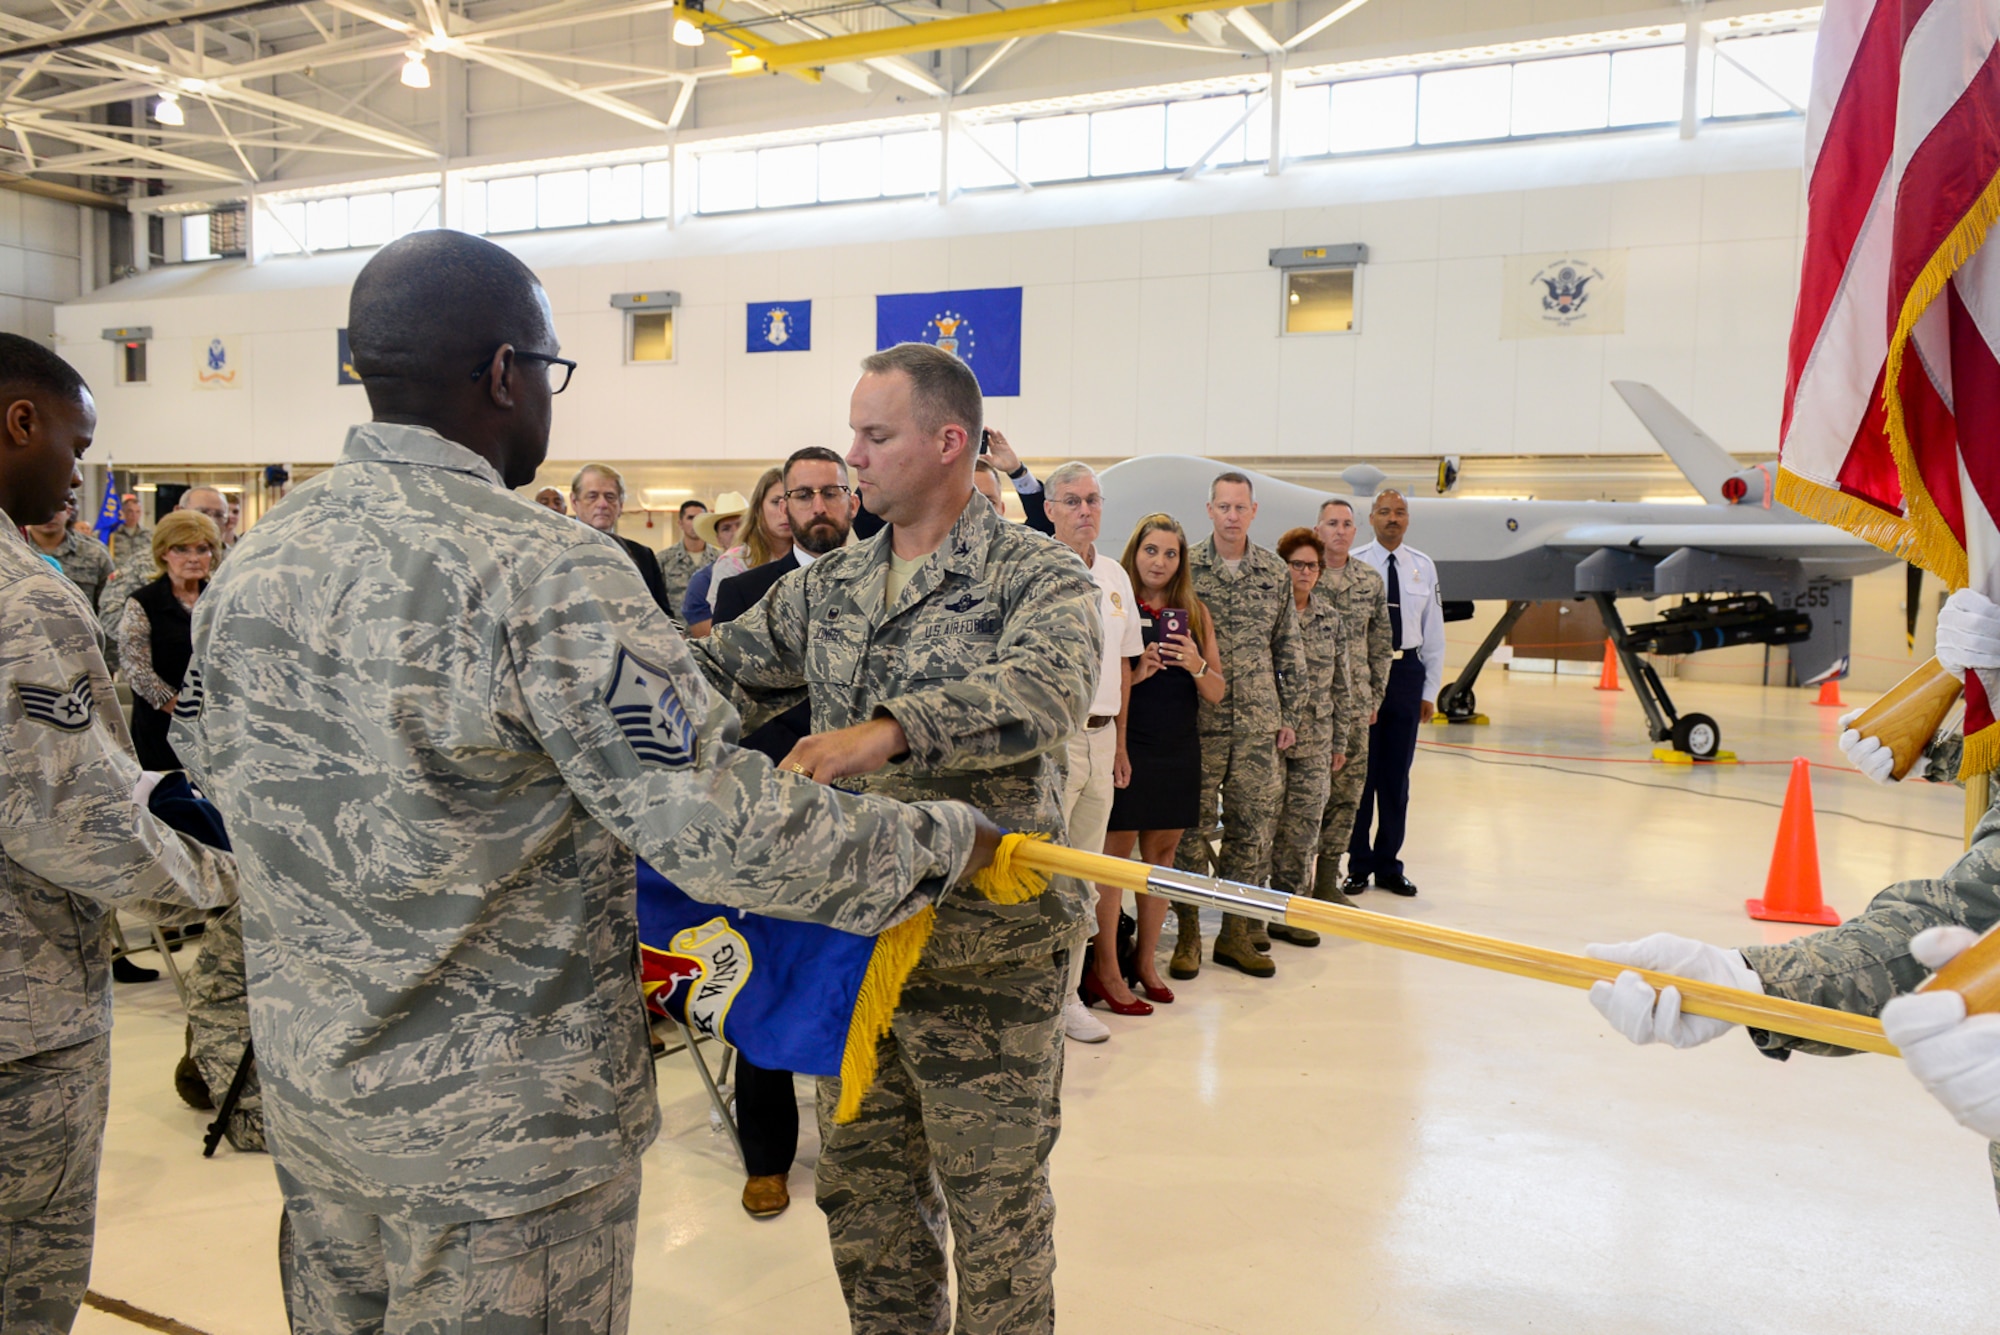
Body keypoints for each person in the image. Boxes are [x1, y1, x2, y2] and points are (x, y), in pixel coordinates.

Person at [171, 231, 1003, 1335]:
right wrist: (942, 842)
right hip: (506, 1145)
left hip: (324, 1114)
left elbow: (206, 769)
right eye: (551, 373)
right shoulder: (546, 569)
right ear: (506, 373)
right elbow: (711, 822)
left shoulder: (257, 563)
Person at [693, 342, 1101, 1335]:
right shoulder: (829, 585)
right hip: (857, 950)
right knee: (866, 1206)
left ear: (947, 441)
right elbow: (715, 679)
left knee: (993, 1217)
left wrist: (885, 730)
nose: (854, 457)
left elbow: (1047, 691)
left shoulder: (1031, 572)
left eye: (875, 436)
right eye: (853, 433)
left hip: (984, 959)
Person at [0, 331, 238, 1334]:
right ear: (20, 422)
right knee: (25, 1285)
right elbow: (69, 819)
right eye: (76, 443)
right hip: (21, 1018)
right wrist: (225, 877)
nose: (79, 470)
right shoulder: (24, 596)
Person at [708, 446, 854, 1220]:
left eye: (833, 490)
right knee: (765, 978)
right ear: (783, 506)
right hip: (776, 813)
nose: (820, 504)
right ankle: (766, 1155)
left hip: (868, 816)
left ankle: (854, 1151)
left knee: (853, 983)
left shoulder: (886, 581)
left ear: (852, 498)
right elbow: (730, 702)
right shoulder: (746, 591)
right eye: (805, 494)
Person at [1171, 471, 1304, 978]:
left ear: (1253, 512)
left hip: (1257, 724)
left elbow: (1288, 648)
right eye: (1222, 507)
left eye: (1240, 508)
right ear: (1209, 511)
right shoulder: (1188, 569)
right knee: (1189, 831)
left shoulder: (1273, 572)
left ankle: (1234, 934)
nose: (1231, 516)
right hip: (1198, 721)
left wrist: (1290, 715)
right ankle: (1188, 935)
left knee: (1252, 831)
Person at [1041, 462, 1147, 1040]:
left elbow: (1126, 668)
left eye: (1094, 500)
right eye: (1073, 501)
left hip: (1103, 737)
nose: (1086, 510)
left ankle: (1069, 999)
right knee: (1046, 874)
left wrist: (1122, 743)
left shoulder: (1114, 576)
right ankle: (1035, 997)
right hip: (1055, 741)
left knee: (1085, 875)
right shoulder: (1035, 570)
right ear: (1051, 509)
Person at [1106, 514, 1225, 1000]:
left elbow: (1217, 692)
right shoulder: (1116, 608)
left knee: (1163, 856)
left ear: (1181, 562)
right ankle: (1107, 966)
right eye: (1151, 550)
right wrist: (1139, 674)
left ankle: (1146, 962)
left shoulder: (1194, 612)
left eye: (1170, 553)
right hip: (1129, 744)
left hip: (1178, 746)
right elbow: (1100, 687)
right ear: (1135, 553)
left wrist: (1195, 663)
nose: (1160, 561)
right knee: (1115, 859)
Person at [1345, 487, 1442, 897]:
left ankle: (1389, 865)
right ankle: (1357, 865)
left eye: (1399, 512)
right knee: (1359, 777)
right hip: (1365, 673)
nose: (1392, 518)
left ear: (1407, 519)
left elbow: (1434, 632)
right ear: (1371, 518)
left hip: (1405, 674)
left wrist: (1429, 689)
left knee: (1396, 779)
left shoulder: (1423, 567)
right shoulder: (1356, 565)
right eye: (1384, 512)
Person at [1266, 528, 1352, 947]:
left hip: (1316, 740)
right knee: (1264, 829)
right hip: (1268, 738)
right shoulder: (1267, 612)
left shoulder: (1330, 619)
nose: (1304, 572)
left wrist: (1341, 742)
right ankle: (1253, 912)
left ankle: (1289, 911)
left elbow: (1342, 684)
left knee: (1302, 832)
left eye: (1311, 566)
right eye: (1296, 564)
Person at [1311, 497, 1392, 900]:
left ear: (1354, 532)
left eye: (1346, 524)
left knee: (1346, 799)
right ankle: (1292, 878)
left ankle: (1327, 879)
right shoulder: (1304, 577)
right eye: (1331, 523)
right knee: (1306, 797)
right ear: (1317, 531)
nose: (1340, 531)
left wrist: (1374, 697)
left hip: (1356, 710)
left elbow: (1381, 644)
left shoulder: (1369, 580)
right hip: (1312, 709)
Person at [119, 510, 220, 772]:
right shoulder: (143, 602)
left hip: (218, 727)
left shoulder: (220, 598)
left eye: (202, 549)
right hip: (161, 731)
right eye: (182, 549)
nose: (194, 558)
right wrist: (186, 711)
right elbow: (136, 670)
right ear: (164, 552)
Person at [855, 426, 1055, 538]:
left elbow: (1045, 522)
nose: (978, 509)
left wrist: (1017, 471)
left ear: (1002, 508)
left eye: (989, 501)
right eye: (967, 500)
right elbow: (865, 520)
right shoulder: (918, 549)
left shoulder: (1018, 553)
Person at [571, 463, 677, 618]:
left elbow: (662, 614)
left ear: (620, 505)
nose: (602, 504)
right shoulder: (556, 551)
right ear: (575, 502)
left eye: (610, 497)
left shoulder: (642, 555)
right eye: (592, 496)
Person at [708, 467, 792, 604]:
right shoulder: (732, 564)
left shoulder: (815, 557)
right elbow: (727, 622)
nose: (785, 511)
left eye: (792, 501)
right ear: (759, 508)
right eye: (776, 502)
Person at [21, 494, 112, 610]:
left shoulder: (95, 553)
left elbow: (108, 605)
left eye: (56, 509)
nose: (49, 516)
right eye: (41, 510)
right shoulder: (13, 551)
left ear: (69, 511)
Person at [682, 493, 747, 636]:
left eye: (741, 525)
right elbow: (715, 638)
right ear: (718, 539)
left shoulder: (776, 566)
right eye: (726, 528)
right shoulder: (701, 582)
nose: (736, 533)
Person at [656, 498, 712, 626]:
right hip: (676, 636)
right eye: (690, 518)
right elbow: (656, 601)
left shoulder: (719, 560)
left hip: (709, 636)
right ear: (680, 523)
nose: (695, 523)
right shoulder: (664, 559)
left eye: (700, 518)